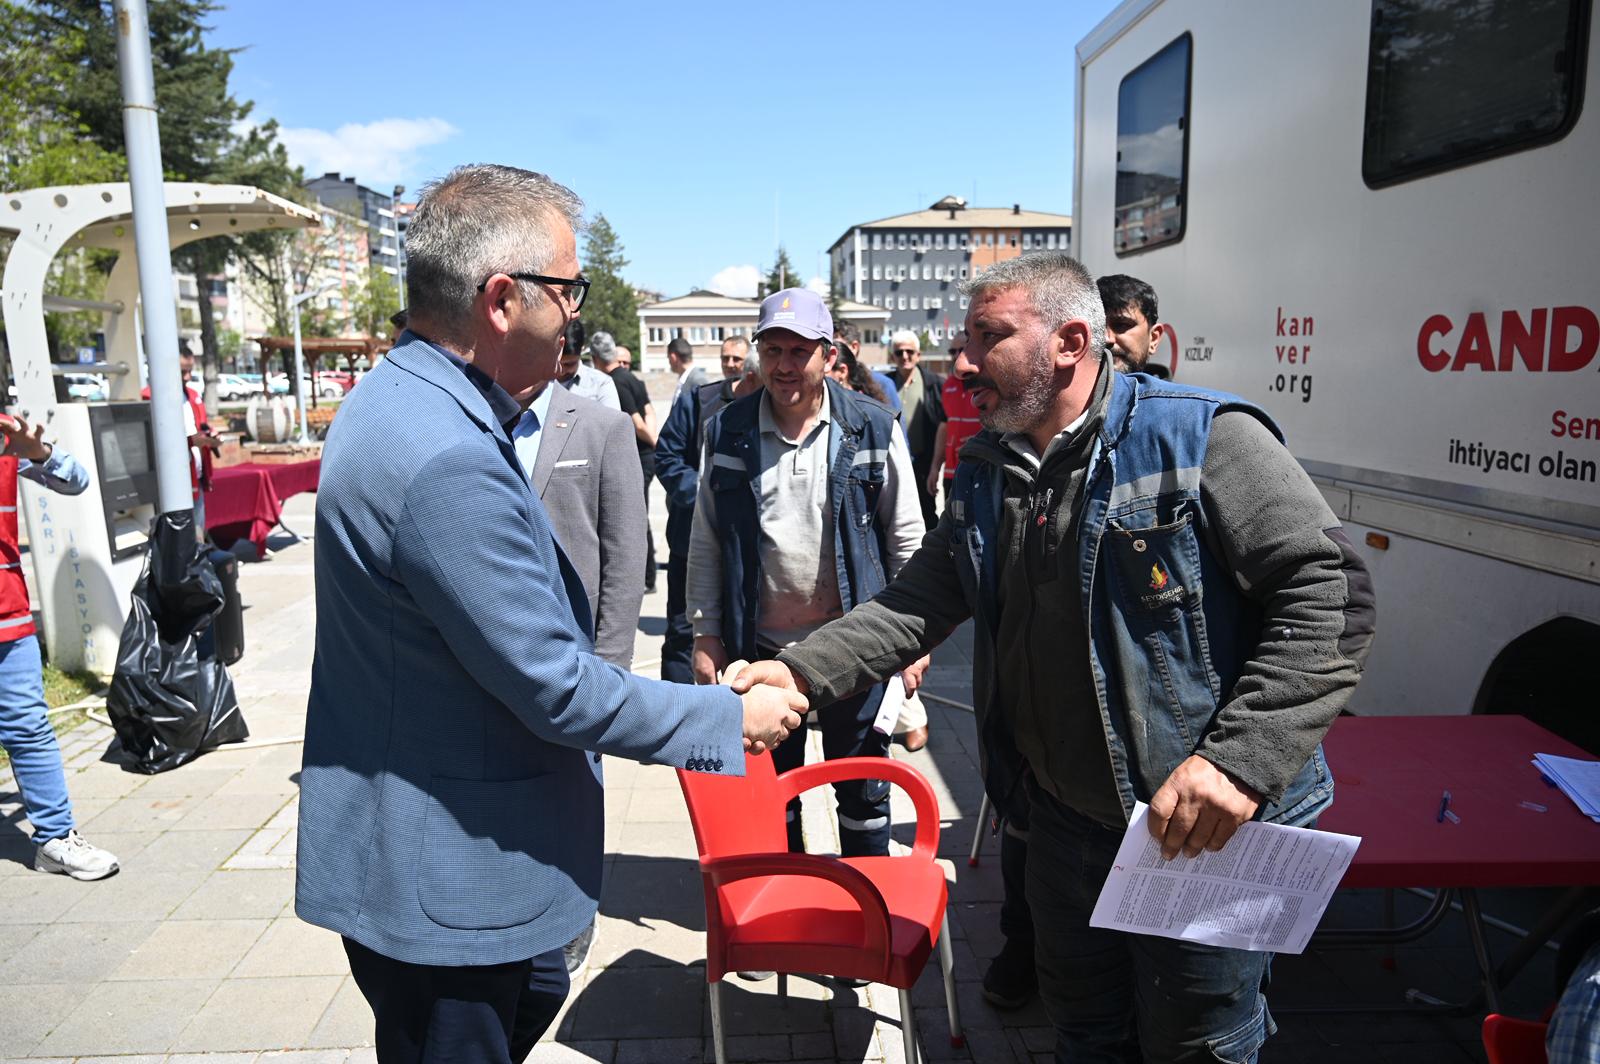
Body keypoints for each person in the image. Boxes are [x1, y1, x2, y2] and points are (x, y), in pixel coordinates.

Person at [729, 253, 1377, 1063]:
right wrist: (795, 672)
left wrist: (1241, 764)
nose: (962, 363)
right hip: (1060, 830)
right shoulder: (989, 468)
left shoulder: (1204, 436)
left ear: (1072, 340)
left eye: (989, 338)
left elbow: (1330, 594)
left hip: (1201, 834)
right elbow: (916, 603)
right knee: (1085, 1030)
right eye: (964, 339)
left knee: (1200, 1043)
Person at [295, 163, 805, 1063]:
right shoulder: (446, 451)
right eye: (568, 290)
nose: (576, 312)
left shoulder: (400, 399)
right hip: (449, 878)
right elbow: (555, 686)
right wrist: (731, 716)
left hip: (424, 846)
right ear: (502, 299)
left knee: (530, 992)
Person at [686, 287, 927, 860]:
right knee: (771, 798)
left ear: (828, 354)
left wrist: (917, 640)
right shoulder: (726, 431)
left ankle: (868, 912)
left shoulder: (873, 426)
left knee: (864, 794)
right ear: (758, 354)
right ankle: (793, 913)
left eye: (800, 351)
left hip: (857, 649)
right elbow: (707, 542)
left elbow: (908, 540)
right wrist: (705, 633)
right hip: (761, 654)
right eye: (773, 350)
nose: (785, 365)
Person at [0, 415, 119, 880]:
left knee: (28, 726)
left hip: (7, 614)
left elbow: (76, 481)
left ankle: (54, 838)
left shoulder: (8, 438)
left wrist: (36, 451)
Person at [653, 337, 755, 684]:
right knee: (683, 631)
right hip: (690, 540)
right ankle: (676, 715)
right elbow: (666, 457)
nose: (731, 364)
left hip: (743, 550)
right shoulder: (700, 399)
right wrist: (703, 494)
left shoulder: (772, 409)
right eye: (726, 358)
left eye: (736, 358)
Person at [588, 332, 658, 592]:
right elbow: (650, 410)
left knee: (636, 518)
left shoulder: (615, 382)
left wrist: (653, 442)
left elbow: (636, 420)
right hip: (647, 454)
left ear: (596, 359)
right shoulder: (633, 378)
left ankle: (646, 579)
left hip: (640, 455)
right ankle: (648, 577)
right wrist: (655, 439)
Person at [141, 344, 221, 536]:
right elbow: (153, 442)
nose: (187, 377)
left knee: (198, 537)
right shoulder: (148, 398)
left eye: (190, 371)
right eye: (182, 371)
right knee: (179, 542)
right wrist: (192, 441)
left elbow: (200, 426)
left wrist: (212, 436)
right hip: (171, 485)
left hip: (197, 479)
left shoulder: (192, 396)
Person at [887, 329, 945, 529]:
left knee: (927, 513)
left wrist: (935, 468)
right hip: (893, 462)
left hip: (923, 462)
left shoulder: (935, 384)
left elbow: (943, 425)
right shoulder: (884, 385)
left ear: (918, 355)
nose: (905, 356)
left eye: (910, 352)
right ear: (892, 356)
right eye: (899, 352)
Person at [925, 330, 981, 499]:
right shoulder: (947, 385)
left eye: (961, 349)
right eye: (952, 351)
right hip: (951, 473)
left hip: (980, 471)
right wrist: (935, 467)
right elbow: (944, 427)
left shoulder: (986, 385)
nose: (957, 355)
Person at [1098, 274, 1167, 375]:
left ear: (1153, 339)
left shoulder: (1173, 391)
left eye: (1122, 325)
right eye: (1096, 327)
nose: (1106, 338)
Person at [833, 321, 900, 414]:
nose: (831, 353)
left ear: (854, 347)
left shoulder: (882, 384)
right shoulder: (827, 381)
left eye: (837, 345)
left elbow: (895, 422)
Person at [555, 319, 621, 411]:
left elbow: (614, 423)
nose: (561, 370)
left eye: (569, 364)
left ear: (582, 350)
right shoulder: (538, 382)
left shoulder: (601, 383)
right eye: (556, 363)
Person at [666, 336, 709, 408]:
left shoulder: (698, 380)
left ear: (673, 357)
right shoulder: (684, 379)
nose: (669, 362)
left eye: (668, 358)